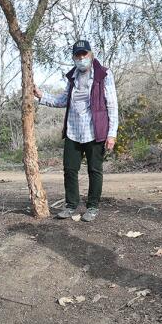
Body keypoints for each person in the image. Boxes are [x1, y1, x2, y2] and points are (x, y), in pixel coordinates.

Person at [32, 40, 119, 222]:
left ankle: (92, 207)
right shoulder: (72, 77)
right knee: (69, 169)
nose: (81, 59)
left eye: (84, 54)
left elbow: (112, 105)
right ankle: (71, 205)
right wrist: (42, 96)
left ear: (90, 54)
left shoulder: (104, 75)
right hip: (73, 130)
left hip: (95, 130)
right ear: (73, 58)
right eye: (77, 56)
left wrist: (112, 133)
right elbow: (63, 100)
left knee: (95, 170)